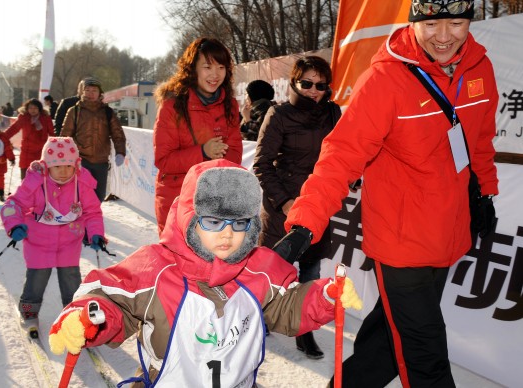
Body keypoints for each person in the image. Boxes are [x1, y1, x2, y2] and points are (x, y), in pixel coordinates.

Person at [273, 1, 499, 387]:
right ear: (413, 23)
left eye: (456, 23)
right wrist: (306, 222)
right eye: (432, 25)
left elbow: (479, 141)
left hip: (449, 232)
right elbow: (340, 156)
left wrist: (485, 194)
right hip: (400, 241)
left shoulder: (479, 68)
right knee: (425, 355)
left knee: (387, 342)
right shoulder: (385, 80)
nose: (444, 37)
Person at [47, 159, 362, 387]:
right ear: (189, 218)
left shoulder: (258, 269)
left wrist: (324, 297)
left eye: (240, 224)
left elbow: (286, 307)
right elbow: (112, 299)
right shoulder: (157, 269)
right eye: (213, 222)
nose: (228, 234)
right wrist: (86, 317)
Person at [252, 55, 341, 360]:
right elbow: (261, 165)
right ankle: (256, 319)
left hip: (317, 206)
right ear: (294, 82)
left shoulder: (332, 113)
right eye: (306, 83)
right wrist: (286, 202)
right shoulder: (278, 115)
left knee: (311, 269)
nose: (314, 90)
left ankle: (304, 330)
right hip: (283, 208)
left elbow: (341, 155)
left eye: (320, 84)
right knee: (273, 271)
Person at [0, 137, 105, 335]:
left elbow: (92, 212)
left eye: (68, 166)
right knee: (37, 280)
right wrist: (14, 225)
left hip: (69, 243)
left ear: (76, 164)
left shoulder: (81, 184)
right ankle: (29, 312)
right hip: (38, 242)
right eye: (58, 167)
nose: (64, 171)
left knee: (71, 279)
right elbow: (13, 205)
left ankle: (74, 312)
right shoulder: (36, 183)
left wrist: (96, 234)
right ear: (47, 167)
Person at [153, 37, 243, 234]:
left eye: (221, 67)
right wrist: (203, 153)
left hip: (216, 202)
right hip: (177, 201)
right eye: (207, 67)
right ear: (193, 69)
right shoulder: (172, 105)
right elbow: (164, 160)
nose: (215, 74)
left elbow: (235, 153)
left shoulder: (230, 105)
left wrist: (220, 161)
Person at [61, 77, 126, 202]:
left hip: (101, 162)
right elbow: (65, 136)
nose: (90, 94)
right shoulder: (74, 111)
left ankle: (91, 219)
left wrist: (120, 152)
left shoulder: (107, 112)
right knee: (79, 196)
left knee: (98, 197)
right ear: (82, 92)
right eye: (87, 90)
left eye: (94, 91)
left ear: (100, 94)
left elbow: (118, 134)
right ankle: (80, 220)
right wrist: (63, 157)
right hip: (80, 161)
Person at [3, 98, 55, 180]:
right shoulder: (24, 118)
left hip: (41, 151)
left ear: (39, 109)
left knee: (40, 177)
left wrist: (55, 144)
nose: (33, 110)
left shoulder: (45, 118)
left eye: (35, 108)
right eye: (30, 108)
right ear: (27, 109)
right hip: (26, 151)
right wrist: (2, 137)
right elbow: (13, 129)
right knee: (25, 176)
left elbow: (52, 133)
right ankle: (25, 191)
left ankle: (39, 192)